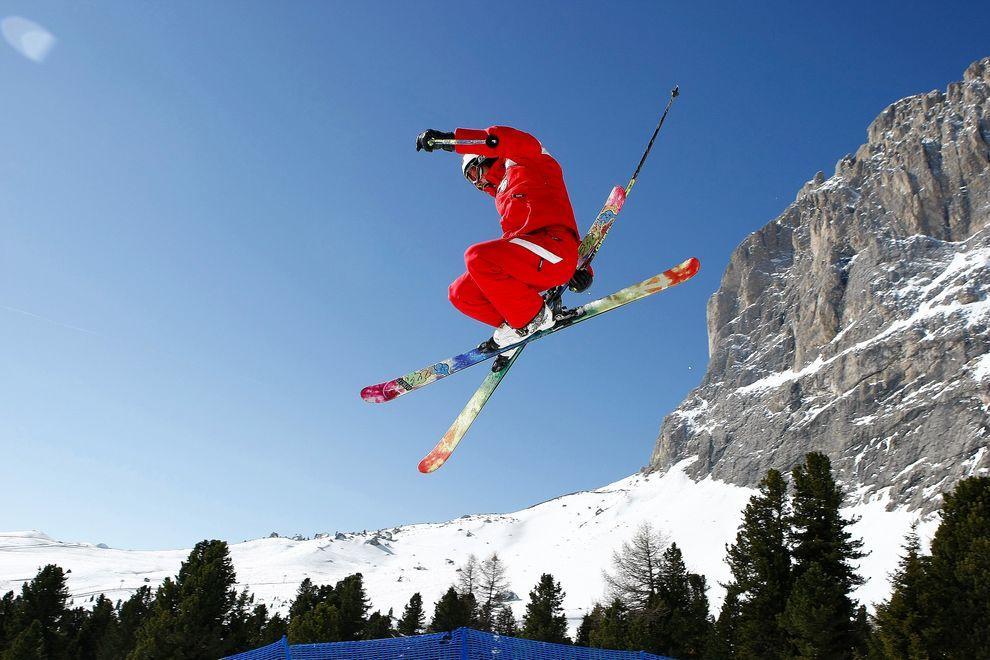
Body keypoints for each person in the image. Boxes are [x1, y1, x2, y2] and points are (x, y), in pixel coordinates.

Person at [416, 126, 593, 351]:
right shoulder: (502, 197)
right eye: (470, 182)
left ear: (485, 158)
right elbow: (516, 246)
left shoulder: (529, 160)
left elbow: (497, 140)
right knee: (460, 293)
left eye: (474, 174)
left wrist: (448, 141)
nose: (477, 184)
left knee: (477, 256)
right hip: (534, 263)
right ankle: (517, 325)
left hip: (557, 252)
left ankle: (531, 318)